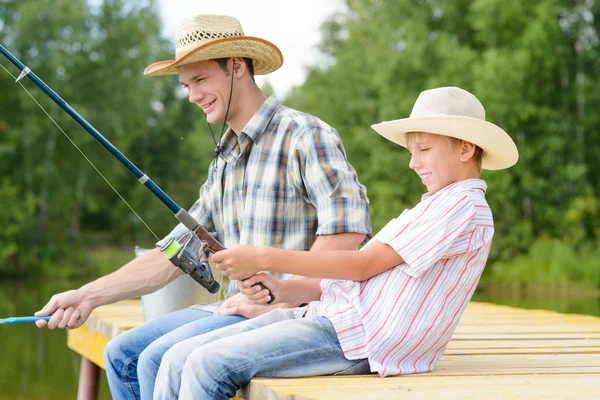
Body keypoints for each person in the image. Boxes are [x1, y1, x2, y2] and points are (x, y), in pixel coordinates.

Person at [34, 14, 371, 400]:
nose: (192, 95)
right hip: (235, 307)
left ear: (237, 67)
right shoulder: (224, 159)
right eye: (185, 84)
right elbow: (173, 254)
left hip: (301, 313)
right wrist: (88, 295)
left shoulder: (304, 135)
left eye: (200, 80)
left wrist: (285, 293)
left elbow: (348, 232)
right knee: (121, 353)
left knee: (155, 359)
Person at [150, 86, 519, 400]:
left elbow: (361, 265)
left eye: (423, 150)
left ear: (466, 149)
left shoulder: (464, 206)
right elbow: (362, 280)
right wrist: (281, 288)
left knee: (206, 364)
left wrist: (261, 256)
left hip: (360, 338)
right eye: (411, 152)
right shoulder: (435, 206)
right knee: (177, 357)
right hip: (336, 319)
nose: (413, 163)